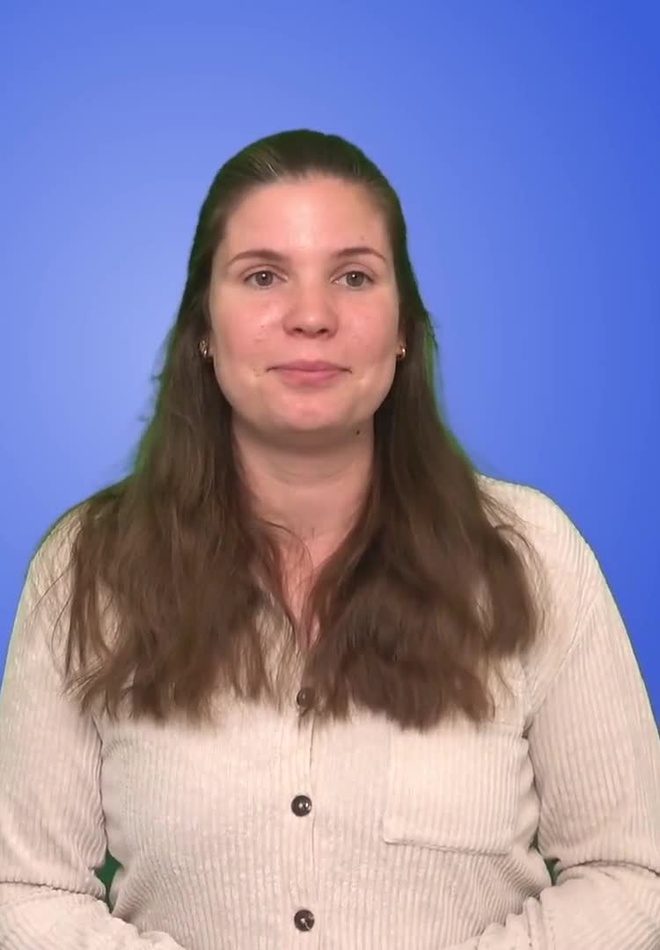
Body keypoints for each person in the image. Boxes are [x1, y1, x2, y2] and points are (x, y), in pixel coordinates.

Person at [0, 128, 658, 950]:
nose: (312, 316)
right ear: (203, 327)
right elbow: (24, 892)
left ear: (404, 327)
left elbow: (635, 876)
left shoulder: (533, 555)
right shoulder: (86, 568)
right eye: (263, 276)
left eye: (353, 276)